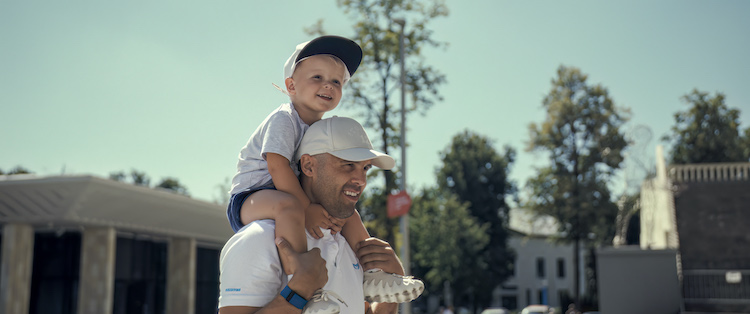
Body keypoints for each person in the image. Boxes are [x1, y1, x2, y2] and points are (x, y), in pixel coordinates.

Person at [225, 36, 423, 313]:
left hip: (284, 198)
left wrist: (389, 287)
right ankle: (302, 279)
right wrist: (300, 288)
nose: (360, 180)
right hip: (250, 195)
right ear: (291, 86)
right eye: (346, 164)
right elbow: (277, 167)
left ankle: (375, 274)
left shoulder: (337, 240)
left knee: (347, 213)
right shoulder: (284, 120)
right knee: (289, 206)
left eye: (337, 81)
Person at [219, 116, 421, 314]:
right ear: (308, 166)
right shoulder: (259, 239)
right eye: (348, 165)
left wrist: (389, 294)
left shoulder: (350, 247)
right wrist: (298, 292)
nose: (361, 180)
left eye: (365, 168)